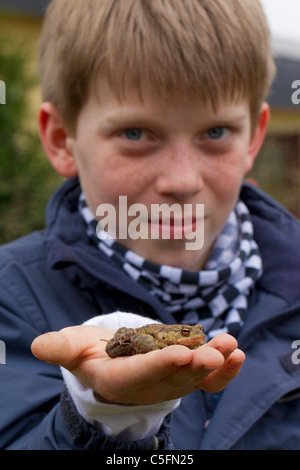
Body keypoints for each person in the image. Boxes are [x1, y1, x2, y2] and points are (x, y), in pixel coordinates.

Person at [0, 0, 300, 451]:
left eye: (215, 132)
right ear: (63, 139)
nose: (182, 181)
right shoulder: (9, 295)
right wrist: (103, 413)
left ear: (254, 136)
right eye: (136, 133)